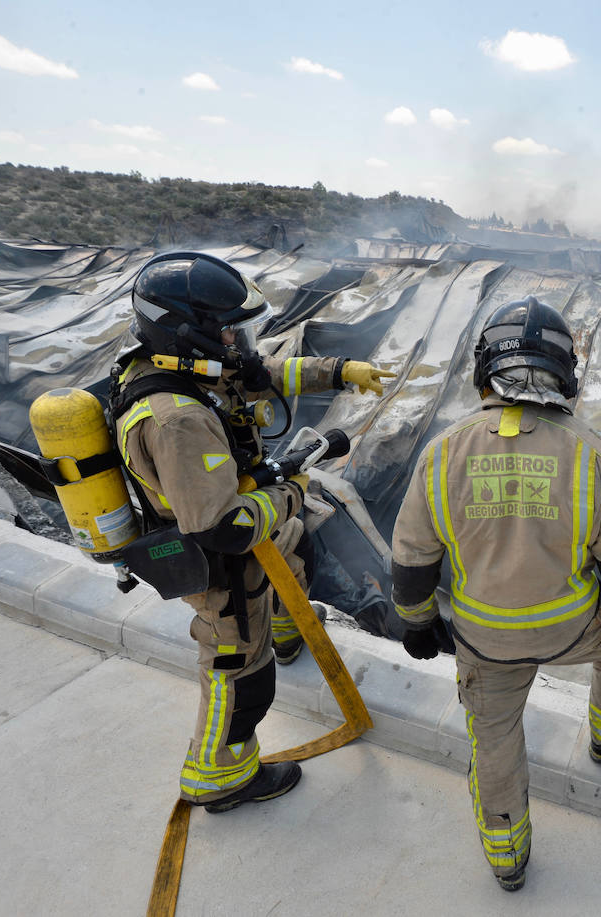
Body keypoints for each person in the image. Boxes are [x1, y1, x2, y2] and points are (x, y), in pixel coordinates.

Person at [390, 295, 601, 891]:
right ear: (567, 373)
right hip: (573, 630)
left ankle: (508, 857)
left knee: (494, 739)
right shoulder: (594, 453)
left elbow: (411, 560)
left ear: (485, 368)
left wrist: (416, 622)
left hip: (484, 640)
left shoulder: (442, 453)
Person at [112, 250, 393, 812]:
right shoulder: (179, 420)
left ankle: (284, 637)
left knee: (295, 551)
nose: (242, 343)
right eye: (232, 331)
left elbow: (262, 377)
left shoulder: (177, 368)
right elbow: (228, 528)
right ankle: (219, 776)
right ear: (191, 334)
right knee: (238, 678)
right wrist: (291, 488)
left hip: (241, 521)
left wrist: (339, 371)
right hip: (220, 565)